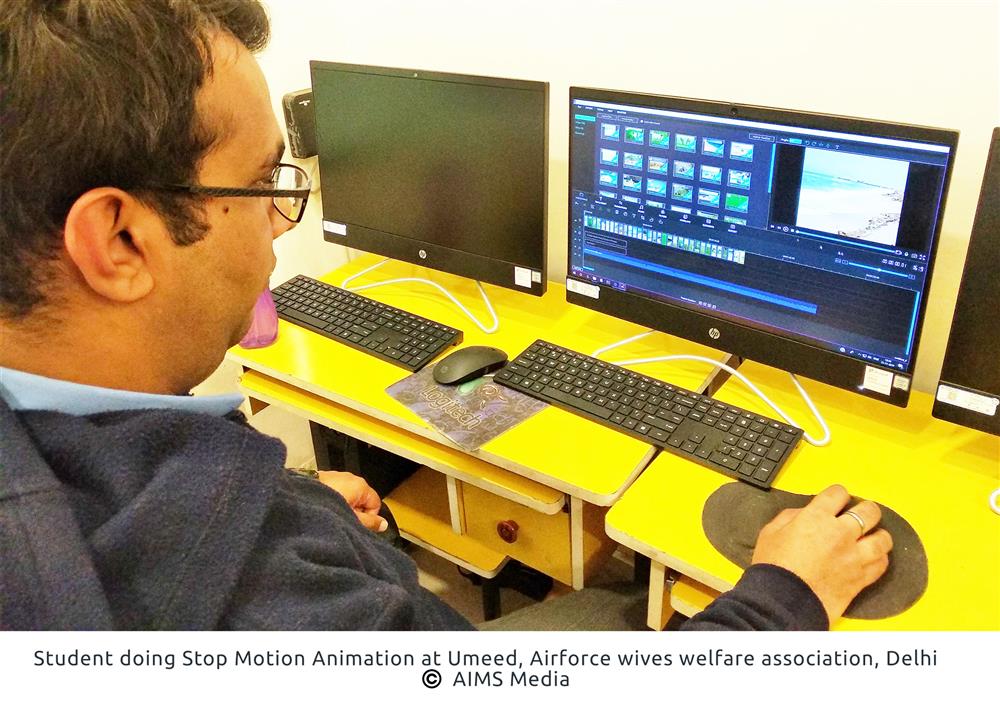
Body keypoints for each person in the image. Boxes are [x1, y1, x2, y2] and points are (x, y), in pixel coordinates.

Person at [0, 0, 892, 631]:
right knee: (624, 607)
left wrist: (288, 501)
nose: (281, 219)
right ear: (118, 240)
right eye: (266, 180)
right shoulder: (264, 609)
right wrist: (785, 589)